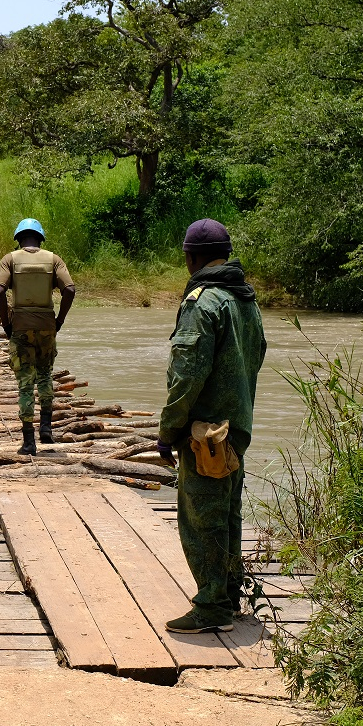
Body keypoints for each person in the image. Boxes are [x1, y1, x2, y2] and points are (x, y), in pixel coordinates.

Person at [157, 219, 267, 634]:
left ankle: (212, 607)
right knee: (227, 514)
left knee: (202, 519)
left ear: (191, 258)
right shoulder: (246, 300)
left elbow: (188, 374)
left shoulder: (203, 303)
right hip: (235, 430)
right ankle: (228, 594)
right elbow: (255, 359)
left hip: (205, 434)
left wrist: (169, 430)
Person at [0, 218, 75, 456]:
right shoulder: (53, 259)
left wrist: (7, 324)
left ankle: (29, 441)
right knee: (45, 375)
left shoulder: (9, 259)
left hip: (20, 327)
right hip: (47, 326)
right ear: (40, 238)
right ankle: (47, 428)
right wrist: (59, 320)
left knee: (25, 383)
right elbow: (69, 289)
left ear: (19, 239)